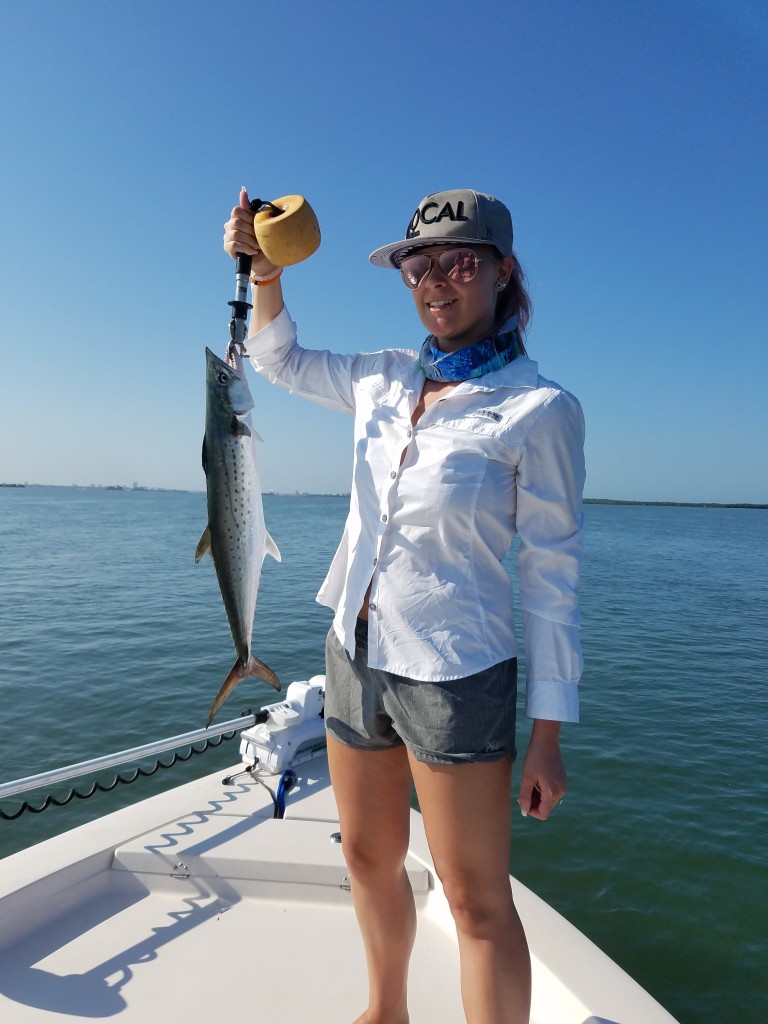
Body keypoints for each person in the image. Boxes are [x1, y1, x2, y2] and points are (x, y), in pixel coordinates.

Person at [223, 187, 585, 1024]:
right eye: (418, 265)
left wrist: (549, 735)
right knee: (365, 853)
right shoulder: (383, 378)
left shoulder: (540, 409)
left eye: (460, 262)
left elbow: (553, 574)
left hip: (456, 673)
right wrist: (267, 274)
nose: (435, 281)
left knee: (474, 898)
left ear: (503, 272)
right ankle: (386, 1009)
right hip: (353, 651)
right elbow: (280, 361)